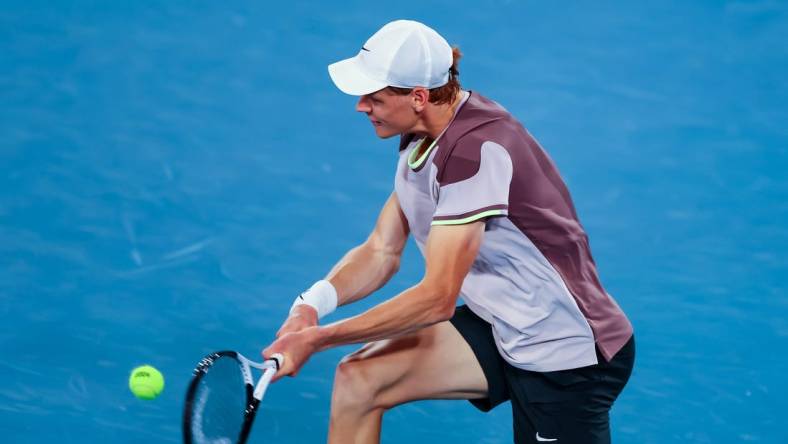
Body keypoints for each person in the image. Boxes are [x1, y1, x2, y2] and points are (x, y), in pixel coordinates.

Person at [263, 19, 635, 444]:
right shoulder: (422, 133)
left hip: (564, 354)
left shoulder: (474, 153)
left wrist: (320, 339)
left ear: (419, 97)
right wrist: (310, 306)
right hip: (500, 324)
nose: (361, 106)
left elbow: (437, 298)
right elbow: (382, 250)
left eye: (374, 97)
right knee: (362, 378)